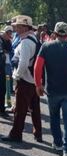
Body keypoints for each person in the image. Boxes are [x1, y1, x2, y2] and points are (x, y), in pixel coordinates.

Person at [34, 22, 67, 156]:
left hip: (52, 90)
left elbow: (37, 67)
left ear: (55, 33)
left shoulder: (46, 47)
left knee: (54, 118)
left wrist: (38, 84)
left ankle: (57, 143)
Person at [1, 15, 42, 143]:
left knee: (20, 109)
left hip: (25, 80)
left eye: (18, 26)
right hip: (33, 79)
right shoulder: (33, 38)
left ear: (24, 27)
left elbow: (23, 63)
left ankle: (16, 134)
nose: (15, 28)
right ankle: (38, 133)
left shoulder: (25, 42)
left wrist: (16, 76)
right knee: (35, 108)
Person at [0, 26, 13, 118]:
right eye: (8, 33)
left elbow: (9, 50)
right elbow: (3, 52)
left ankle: (2, 109)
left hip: (3, 67)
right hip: (2, 67)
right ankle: (1, 110)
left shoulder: (8, 41)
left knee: (3, 88)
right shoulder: (0, 40)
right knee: (2, 89)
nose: (10, 35)